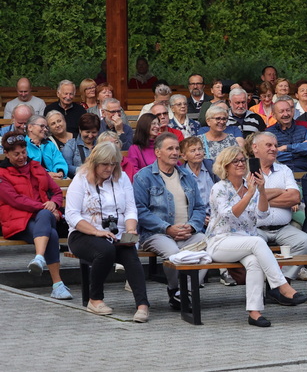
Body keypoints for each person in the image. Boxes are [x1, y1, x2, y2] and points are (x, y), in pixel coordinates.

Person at [207, 146, 307, 326]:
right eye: (235, 161)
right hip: (221, 241)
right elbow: (230, 214)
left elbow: (262, 215)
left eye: (242, 160)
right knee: (257, 241)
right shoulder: (219, 188)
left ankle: (254, 312)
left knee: (254, 262)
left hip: (245, 241)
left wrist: (261, 191)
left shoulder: (250, 187)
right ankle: (281, 285)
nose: (240, 164)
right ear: (225, 166)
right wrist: (250, 194)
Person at [63, 141, 149, 319]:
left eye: (113, 164)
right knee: (105, 250)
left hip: (116, 232)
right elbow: (72, 215)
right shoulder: (80, 179)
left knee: (130, 254)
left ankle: (142, 305)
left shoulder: (122, 178)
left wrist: (131, 229)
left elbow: (131, 209)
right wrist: (96, 232)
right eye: (105, 164)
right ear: (94, 162)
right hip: (83, 233)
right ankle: (95, 299)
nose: (109, 168)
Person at [133, 132, 207, 306]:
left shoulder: (187, 176)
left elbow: (199, 207)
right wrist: (167, 228)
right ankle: (174, 289)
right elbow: (140, 211)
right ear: (158, 152)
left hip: (187, 232)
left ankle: (184, 292)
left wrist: (192, 226)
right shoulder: (143, 177)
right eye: (170, 149)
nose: (175, 152)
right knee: (174, 254)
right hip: (156, 234)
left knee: (207, 248)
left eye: (176, 148)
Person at [0, 134, 71, 300]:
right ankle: (57, 284)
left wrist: (54, 203)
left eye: (23, 152)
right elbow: (15, 200)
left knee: (46, 216)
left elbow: (56, 191)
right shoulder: (2, 173)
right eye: (16, 154)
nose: (21, 157)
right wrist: (45, 206)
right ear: (7, 154)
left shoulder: (36, 167)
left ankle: (39, 259)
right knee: (51, 234)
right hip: (17, 221)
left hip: (41, 218)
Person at [247, 131, 307, 281]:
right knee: (251, 245)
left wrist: (260, 196)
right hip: (255, 228)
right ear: (255, 148)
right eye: (268, 145)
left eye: (275, 146)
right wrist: (280, 191)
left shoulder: (284, 170)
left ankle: (283, 280)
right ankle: (269, 281)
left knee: (305, 242)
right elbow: (245, 199)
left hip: (283, 227)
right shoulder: (245, 170)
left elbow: (295, 197)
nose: (274, 149)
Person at [266, 98, 307, 173]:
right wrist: (299, 151)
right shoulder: (269, 133)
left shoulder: (302, 129)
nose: (286, 114)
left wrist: (285, 148)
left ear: (292, 111)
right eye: (281, 111)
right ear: (274, 115)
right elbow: (271, 154)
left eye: (288, 110)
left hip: (304, 173)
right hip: (280, 174)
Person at [178, 135, 216, 225]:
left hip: (217, 216)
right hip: (194, 220)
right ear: (184, 156)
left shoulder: (213, 167)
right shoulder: (180, 174)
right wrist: (199, 218)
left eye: (200, 149)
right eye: (193, 150)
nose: (198, 153)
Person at [122, 113, 159, 181]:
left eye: (158, 124)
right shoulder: (135, 149)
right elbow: (134, 171)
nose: (157, 126)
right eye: (153, 123)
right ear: (144, 125)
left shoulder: (161, 145)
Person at [62, 113, 101, 178]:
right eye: (87, 132)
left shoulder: (101, 144)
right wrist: (83, 170)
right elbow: (66, 165)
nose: (90, 136)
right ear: (80, 130)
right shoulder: (71, 145)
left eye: (94, 132)